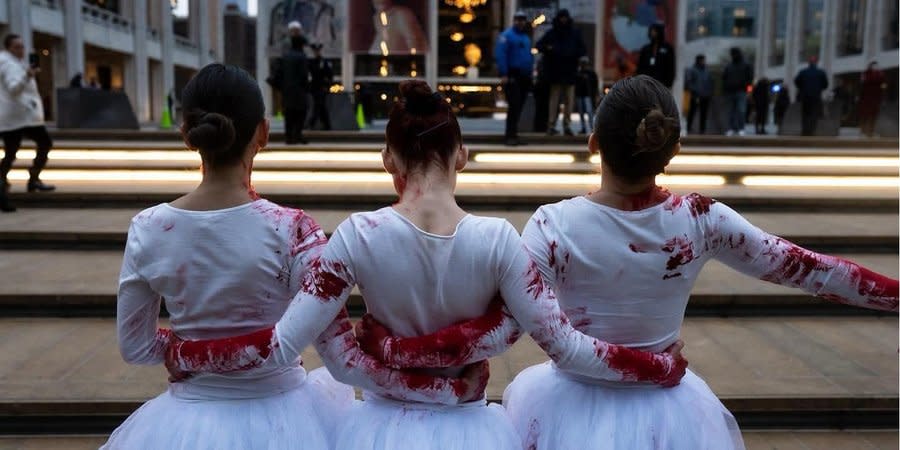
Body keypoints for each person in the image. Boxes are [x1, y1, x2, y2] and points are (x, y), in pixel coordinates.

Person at [369, 75, 900, 449]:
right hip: (673, 409)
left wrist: (395, 351)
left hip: (568, 408)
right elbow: (814, 270)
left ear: (594, 143)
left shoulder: (555, 226)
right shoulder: (701, 219)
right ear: (671, 150)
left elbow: (500, 329)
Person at [162, 80, 687, 449]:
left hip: (379, 427)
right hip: (470, 427)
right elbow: (561, 343)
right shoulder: (500, 241)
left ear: (388, 159)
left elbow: (322, 355)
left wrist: (181, 349)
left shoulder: (353, 237)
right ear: (461, 154)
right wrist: (655, 364)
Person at [101, 63, 354, 449]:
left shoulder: (149, 228)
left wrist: (192, 349)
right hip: (287, 416)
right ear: (263, 133)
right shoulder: (293, 230)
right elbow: (335, 348)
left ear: (187, 135)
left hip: (185, 419)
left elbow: (135, 347)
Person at [0, 34, 55, 213]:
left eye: (22, 46)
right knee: (12, 153)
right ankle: (8, 189)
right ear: (9, 48)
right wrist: (27, 75)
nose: (21, 50)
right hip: (16, 118)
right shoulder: (7, 64)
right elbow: (14, 88)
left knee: (16, 151)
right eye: (17, 46)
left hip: (22, 117)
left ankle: (32, 179)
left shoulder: (15, 63)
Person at [536, 9, 586, 136]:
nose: (563, 20)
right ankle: (552, 125)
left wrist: (551, 50)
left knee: (566, 101)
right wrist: (549, 50)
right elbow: (539, 45)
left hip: (566, 72)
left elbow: (582, 49)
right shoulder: (556, 33)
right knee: (556, 101)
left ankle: (565, 125)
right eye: (562, 17)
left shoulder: (569, 33)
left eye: (565, 17)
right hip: (558, 72)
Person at [496, 10, 534, 146]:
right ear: (514, 21)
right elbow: (501, 55)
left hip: (524, 76)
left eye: (522, 20)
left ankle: (514, 134)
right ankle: (509, 136)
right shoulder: (507, 36)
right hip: (512, 75)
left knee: (519, 107)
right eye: (518, 19)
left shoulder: (525, 37)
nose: (520, 22)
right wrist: (504, 73)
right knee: (514, 105)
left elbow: (529, 56)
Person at [282, 34, 310, 144]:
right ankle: (297, 135)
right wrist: (307, 87)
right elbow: (304, 75)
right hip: (299, 91)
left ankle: (289, 137)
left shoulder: (286, 56)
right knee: (300, 113)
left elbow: (279, 73)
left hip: (287, 90)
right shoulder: (301, 57)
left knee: (289, 114)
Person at [794, 56, 829, 136]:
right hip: (816, 96)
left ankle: (805, 130)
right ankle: (812, 130)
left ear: (809, 63)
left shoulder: (803, 72)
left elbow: (796, 82)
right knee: (814, 114)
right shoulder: (820, 72)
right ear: (816, 62)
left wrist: (802, 88)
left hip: (805, 96)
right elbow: (825, 84)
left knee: (805, 114)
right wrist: (819, 88)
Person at [722, 47, 753, 136]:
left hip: (741, 91)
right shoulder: (729, 66)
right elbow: (724, 78)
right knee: (732, 111)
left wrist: (748, 91)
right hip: (731, 91)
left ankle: (740, 128)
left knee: (740, 110)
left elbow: (749, 79)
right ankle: (732, 128)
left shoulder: (745, 65)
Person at [636, 23, 675, 89]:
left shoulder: (668, 48)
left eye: (654, 31)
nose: (652, 33)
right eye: (651, 31)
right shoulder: (646, 49)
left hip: (662, 83)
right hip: (646, 83)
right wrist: (640, 80)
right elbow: (640, 66)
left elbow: (671, 67)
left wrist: (669, 83)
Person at [685, 54, 712, 134]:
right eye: (702, 60)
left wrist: (709, 92)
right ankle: (688, 128)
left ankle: (702, 130)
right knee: (692, 113)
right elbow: (688, 82)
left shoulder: (706, 71)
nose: (703, 62)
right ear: (698, 60)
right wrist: (694, 90)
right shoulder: (692, 70)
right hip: (695, 96)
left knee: (704, 114)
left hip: (705, 96)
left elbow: (710, 82)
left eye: (704, 60)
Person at [308, 42, 333, 130]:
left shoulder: (324, 62)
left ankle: (312, 123)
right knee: (320, 106)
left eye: (318, 51)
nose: (316, 52)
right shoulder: (311, 62)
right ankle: (327, 125)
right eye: (315, 51)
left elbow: (330, 75)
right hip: (315, 87)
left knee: (318, 105)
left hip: (322, 87)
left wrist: (328, 86)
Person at [858, 61, 885, 137]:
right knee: (865, 115)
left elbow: (883, 85)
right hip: (866, 98)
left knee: (874, 115)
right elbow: (862, 84)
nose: (875, 67)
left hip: (876, 98)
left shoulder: (880, 74)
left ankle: (871, 131)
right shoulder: (866, 74)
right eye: (873, 65)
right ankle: (863, 130)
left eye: (876, 65)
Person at [574, 56, 599, 135]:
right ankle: (584, 127)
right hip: (580, 95)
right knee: (581, 113)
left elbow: (595, 84)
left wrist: (595, 94)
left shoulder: (591, 73)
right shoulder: (578, 73)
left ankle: (592, 128)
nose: (583, 65)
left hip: (587, 95)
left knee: (589, 112)